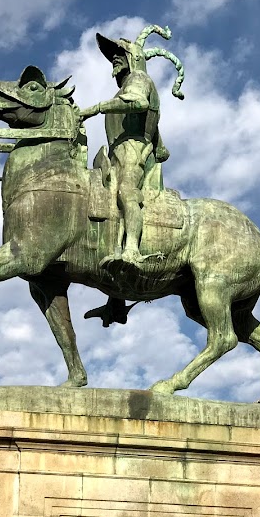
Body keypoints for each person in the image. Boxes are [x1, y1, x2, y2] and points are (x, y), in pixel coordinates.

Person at [81, 25, 184, 327]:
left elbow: (139, 104)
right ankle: (116, 299)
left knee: (127, 194)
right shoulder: (125, 89)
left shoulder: (139, 80)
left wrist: (95, 108)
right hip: (117, 151)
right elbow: (152, 124)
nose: (113, 60)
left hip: (132, 150)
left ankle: (133, 252)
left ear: (132, 57)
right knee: (103, 206)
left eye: (118, 54)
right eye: (112, 55)